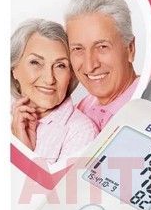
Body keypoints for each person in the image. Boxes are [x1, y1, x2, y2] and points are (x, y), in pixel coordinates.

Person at [11, 19, 98, 165]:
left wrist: (23, 152)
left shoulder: (81, 131)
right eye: (35, 62)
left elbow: (63, 182)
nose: (49, 79)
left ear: (71, 75)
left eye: (60, 65)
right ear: (14, 69)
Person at [65, 0, 139, 131]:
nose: (90, 66)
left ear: (130, 48)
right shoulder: (79, 110)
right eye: (78, 49)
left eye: (102, 47)